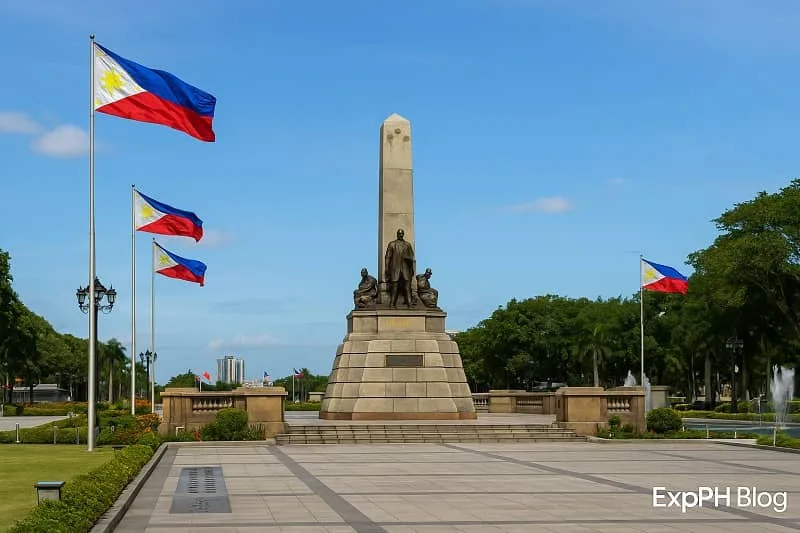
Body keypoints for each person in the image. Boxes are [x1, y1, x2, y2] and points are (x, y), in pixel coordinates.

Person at [384, 228, 415, 308]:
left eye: (402, 233)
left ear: (403, 234)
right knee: (395, 288)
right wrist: (387, 268)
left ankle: (410, 303)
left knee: (408, 288)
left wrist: (412, 269)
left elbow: (412, 257)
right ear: (397, 234)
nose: (400, 235)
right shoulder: (392, 244)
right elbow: (388, 257)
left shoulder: (407, 245)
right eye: (399, 233)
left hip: (406, 269)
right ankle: (392, 304)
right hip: (395, 269)